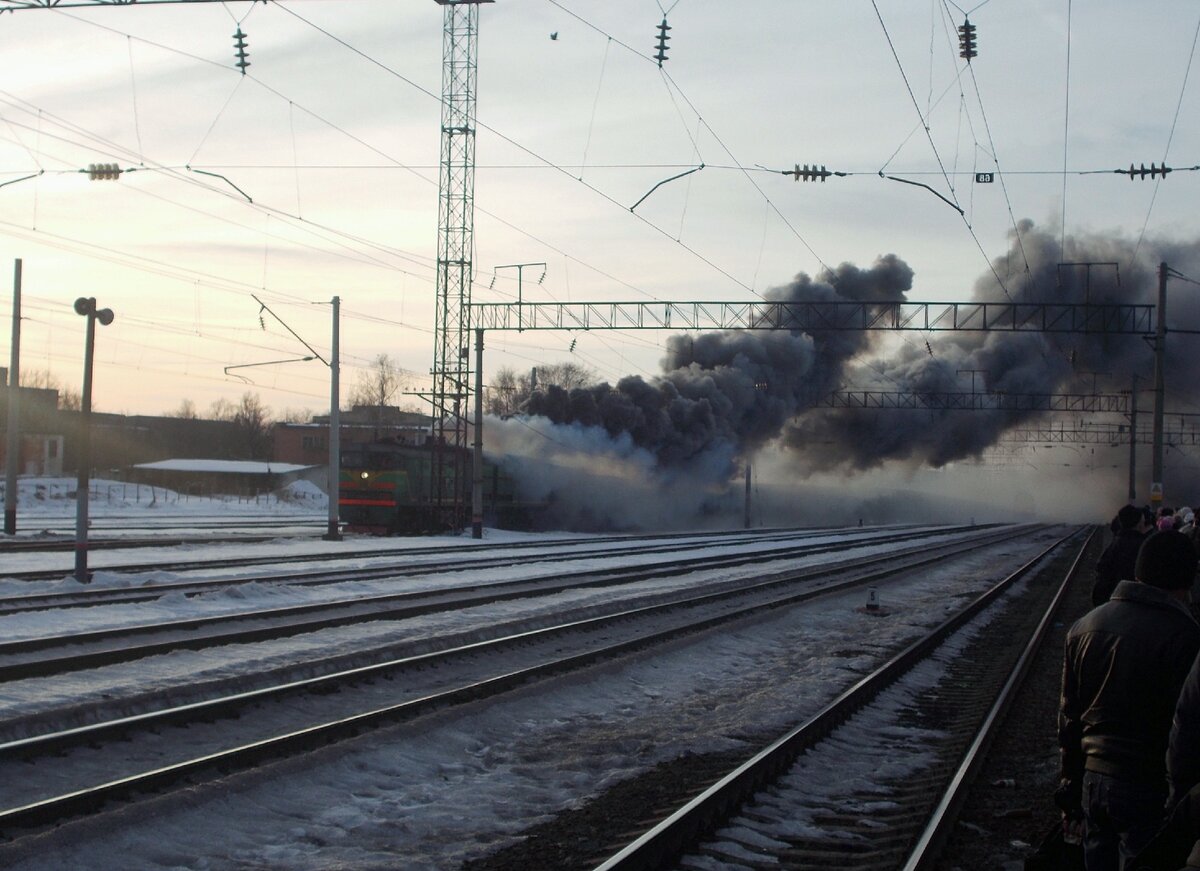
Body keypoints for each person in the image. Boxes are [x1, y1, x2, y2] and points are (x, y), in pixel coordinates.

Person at [1058, 530, 1200, 871]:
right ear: (1187, 578)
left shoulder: (1084, 626)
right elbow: (1186, 728)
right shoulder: (1185, 636)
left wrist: (1070, 794)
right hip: (1148, 787)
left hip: (1094, 783)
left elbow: (1069, 720)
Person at [1092, 504, 1152, 606]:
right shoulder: (1144, 547)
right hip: (1138, 603)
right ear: (1139, 524)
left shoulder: (1113, 545)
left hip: (1113, 602)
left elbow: (1102, 575)